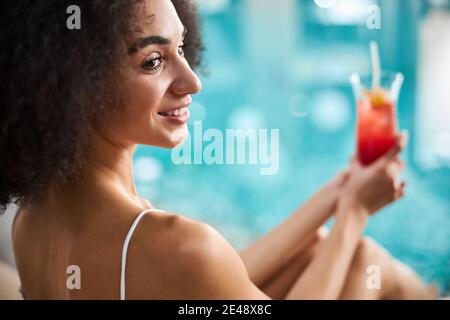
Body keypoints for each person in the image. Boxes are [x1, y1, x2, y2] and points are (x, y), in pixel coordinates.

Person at [1, 0, 434, 300]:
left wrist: (339, 193)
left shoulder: (31, 217)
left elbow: (208, 283)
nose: (192, 81)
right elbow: (199, 271)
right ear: (78, 84)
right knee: (363, 258)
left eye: (181, 47)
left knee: (316, 246)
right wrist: (354, 215)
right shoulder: (170, 245)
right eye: (153, 60)